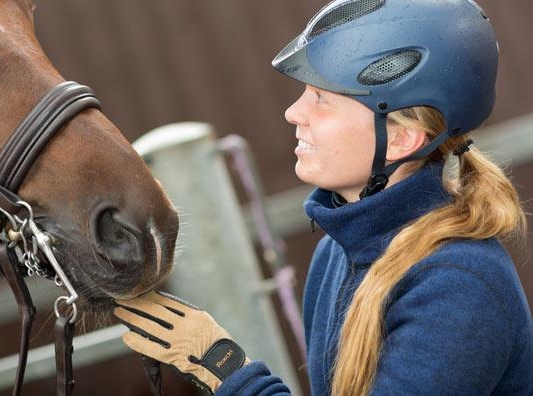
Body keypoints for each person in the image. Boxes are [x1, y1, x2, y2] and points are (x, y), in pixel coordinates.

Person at [114, 0, 533, 395]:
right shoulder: (337, 251)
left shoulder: (458, 290)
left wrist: (224, 369)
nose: (294, 113)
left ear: (402, 138)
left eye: (322, 99)